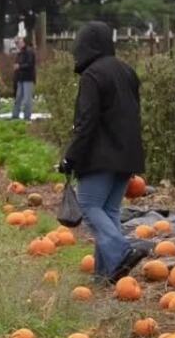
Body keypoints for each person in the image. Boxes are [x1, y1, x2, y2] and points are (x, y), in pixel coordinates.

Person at [58, 21, 146, 285]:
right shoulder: (127, 71)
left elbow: (86, 121)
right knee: (109, 211)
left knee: (88, 205)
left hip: (101, 156)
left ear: (86, 46)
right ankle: (106, 276)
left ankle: (121, 251)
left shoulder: (93, 75)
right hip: (128, 154)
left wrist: (70, 157)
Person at [12, 37, 36, 120]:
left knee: (27, 99)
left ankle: (27, 117)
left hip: (28, 78)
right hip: (20, 78)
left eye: (19, 42)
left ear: (24, 43)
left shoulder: (29, 52)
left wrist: (19, 66)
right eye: (17, 43)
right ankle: (15, 116)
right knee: (18, 98)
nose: (18, 44)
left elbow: (30, 64)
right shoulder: (19, 53)